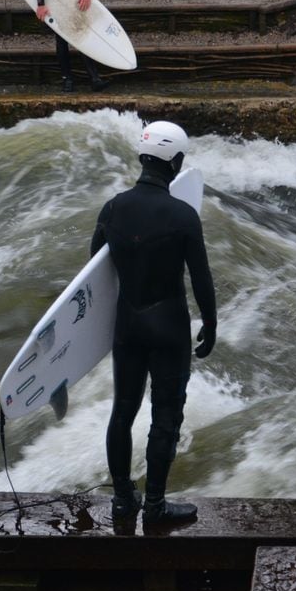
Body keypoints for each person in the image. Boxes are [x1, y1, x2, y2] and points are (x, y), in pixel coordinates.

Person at [91, 121, 216, 525]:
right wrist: (210, 322)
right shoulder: (183, 215)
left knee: (122, 412)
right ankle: (156, 506)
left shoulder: (113, 208)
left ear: (142, 157)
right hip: (169, 327)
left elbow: (95, 273)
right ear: (175, 161)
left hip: (127, 325)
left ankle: (123, 499)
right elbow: (200, 277)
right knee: (166, 415)